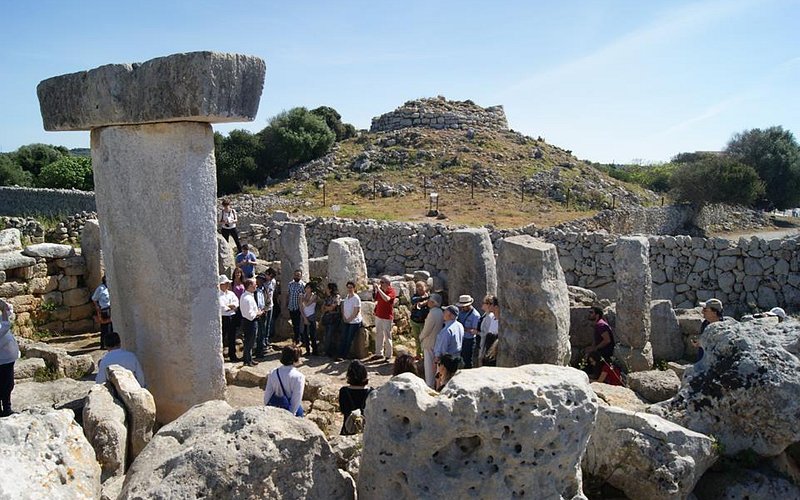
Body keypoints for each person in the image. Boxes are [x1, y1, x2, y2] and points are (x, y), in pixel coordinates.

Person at [264, 345, 305, 417]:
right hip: (288, 408)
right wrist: (291, 415)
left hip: (275, 405)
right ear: (295, 359)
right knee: (300, 411)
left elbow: (268, 394)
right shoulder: (299, 377)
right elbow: (296, 399)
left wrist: (268, 407)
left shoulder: (273, 372)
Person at [338, 360, 372, 435]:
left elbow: (343, 410)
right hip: (366, 430)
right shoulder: (371, 392)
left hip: (348, 427)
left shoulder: (343, 391)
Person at [419, 293, 444, 388]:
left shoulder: (432, 313)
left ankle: (429, 385)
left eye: (430, 301)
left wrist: (421, 336)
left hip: (429, 342)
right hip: (437, 342)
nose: (428, 302)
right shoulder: (440, 312)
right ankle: (437, 384)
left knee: (429, 366)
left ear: (433, 302)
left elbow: (427, 329)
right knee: (436, 365)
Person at [0, 299, 20, 417]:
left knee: (8, 385)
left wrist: (5, 307)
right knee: (5, 385)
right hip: (3, 360)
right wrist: (3, 310)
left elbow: (9, 311)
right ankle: (6, 410)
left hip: (7, 358)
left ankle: (7, 407)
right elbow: (4, 327)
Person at [239, 278, 263, 367]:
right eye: (254, 284)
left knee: (250, 341)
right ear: (249, 286)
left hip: (248, 321)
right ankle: (247, 360)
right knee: (249, 341)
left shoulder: (246, 296)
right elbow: (250, 315)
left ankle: (249, 359)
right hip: (250, 322)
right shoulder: (247, 298)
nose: (256, 285)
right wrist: (258, 313)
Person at [372, 276, 397, 362]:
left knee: (387, 335)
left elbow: (387, 299)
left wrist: (379, 290)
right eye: (380, 282)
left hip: (387, 317)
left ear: (387, 283)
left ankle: (388, 355)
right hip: (379, 315)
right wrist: (375, 290)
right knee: (379, 334)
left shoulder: (392, 291)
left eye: (382, 282)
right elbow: (375, 299)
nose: (380, 284)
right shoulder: (380, 291)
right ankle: (379, 353)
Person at [337, 281, 362, 361]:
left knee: (348, 338)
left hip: (354, 322)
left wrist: (350, 319)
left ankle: (344, 355)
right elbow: (343, 308)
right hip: (346, 321)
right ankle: (340, 354)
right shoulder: (347, 297)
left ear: (354, 288)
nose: (349, 289)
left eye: (351, 287)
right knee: (343, 337)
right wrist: (344, 317)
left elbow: (356, 310)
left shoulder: (356, 298)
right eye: (348, 287)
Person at [218, 274, 239, 362]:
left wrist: (230, 306)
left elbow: (236, 302)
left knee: (232, 336)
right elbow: (222, 307)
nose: (227, 285)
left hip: (232, 316)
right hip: (224, 317)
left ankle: (232, 355)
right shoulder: (218, 295)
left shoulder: (231, 293)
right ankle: (220, 355)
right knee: (222, 337)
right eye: (225, 283)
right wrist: (230, 307)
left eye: (227, 283)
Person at [456, 294, 480, 369]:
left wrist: (463, 328)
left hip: (469, 340)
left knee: (467, 360)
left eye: (464, 306)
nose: (462, 308)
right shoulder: (461, 312)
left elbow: (474, 330)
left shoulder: (475, 315)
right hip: (461, 338)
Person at [475, 294, 498, 368]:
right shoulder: (491, 317)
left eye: (486, 303)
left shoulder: (491, 317)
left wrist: (477, 332)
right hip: (487, 344)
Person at [409, 281, 430, 358]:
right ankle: (418, 354)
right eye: (418, 288)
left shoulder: (430, 297)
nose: (419, 290)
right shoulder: (415, 297)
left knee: (423, 338)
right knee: (417, 338)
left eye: (421, 288)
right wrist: (423, 298)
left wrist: (425, 301)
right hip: (414, 320)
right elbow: (413, 300)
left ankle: (425, 355)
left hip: (424, 321)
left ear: (425, 287)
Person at [320, 282, 342, 357]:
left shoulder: (337, 297)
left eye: (327, 288)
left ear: (330, 289)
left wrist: (327, 308)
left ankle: (328, 352)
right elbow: (322, 308)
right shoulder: (327, 298)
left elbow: (333, 307)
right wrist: (327, 308)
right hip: (327, 318)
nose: (326, 289)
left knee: (330, 335)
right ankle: (327, 351)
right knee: (326, 335)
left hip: (333, 319)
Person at [92, 275, 112, 349]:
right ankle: (104, 345)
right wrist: (98, 308)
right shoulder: (100, 288)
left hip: (111, 308)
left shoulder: (109, 287)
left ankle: (111, 344)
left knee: (111, 327)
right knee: (105, 328)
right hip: (104, 309)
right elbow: (94, 298)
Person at [287, 269, 306, 346]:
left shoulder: (303, 285)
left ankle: (300, 339)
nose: (296, 276)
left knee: (299, 324)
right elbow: (288, 295)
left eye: (298, 275)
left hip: (299, 308)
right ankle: (296, 339)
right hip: (291, 307)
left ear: (301, 276)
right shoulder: (290, 284)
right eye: (295, 275)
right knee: (294, 324)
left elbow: (305, 297)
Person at [253, 274, 270, 359]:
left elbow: (268, 301)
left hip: (263, 314)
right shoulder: (253, 290)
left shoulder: (265, 290)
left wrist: (264, 310)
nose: (260, 281)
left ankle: (260, 352)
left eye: (262, 280)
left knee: (262, 333)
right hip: (255, 314)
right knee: (254, 333)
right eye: (259, 279)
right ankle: (253, 351)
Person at [300, 283, 318, 356]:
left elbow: (307, 304)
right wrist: (304, 318)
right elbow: (301, 307)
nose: (306, 289)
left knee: (312, 334)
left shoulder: (314, 296)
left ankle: (315, 350)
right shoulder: (302, 296)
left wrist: (302, 298)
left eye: (308, 288)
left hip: (311, 316)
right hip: (304, 316)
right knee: (305, 334)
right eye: (306, 288)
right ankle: (307, 350)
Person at [482, 296, 500, 366]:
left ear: (495, 306)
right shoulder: (492, 318)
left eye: (490, 304)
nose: (488, 306)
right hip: (489, 343)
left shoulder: (500, 321)